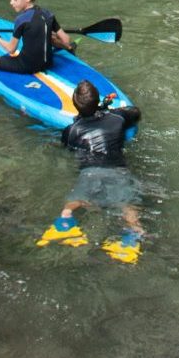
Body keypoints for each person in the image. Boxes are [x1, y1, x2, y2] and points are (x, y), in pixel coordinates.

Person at [38, 78, 145, 262]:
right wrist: (108, 111)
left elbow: (66, 147)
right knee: (127, 204)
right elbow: (135, 113)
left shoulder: (71, 131)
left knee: (76, 199)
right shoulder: (117, 119)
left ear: (75, 105)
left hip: (89, 172)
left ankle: (65, 223)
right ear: (97, 101)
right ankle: (132, 238)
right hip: (117, 170)